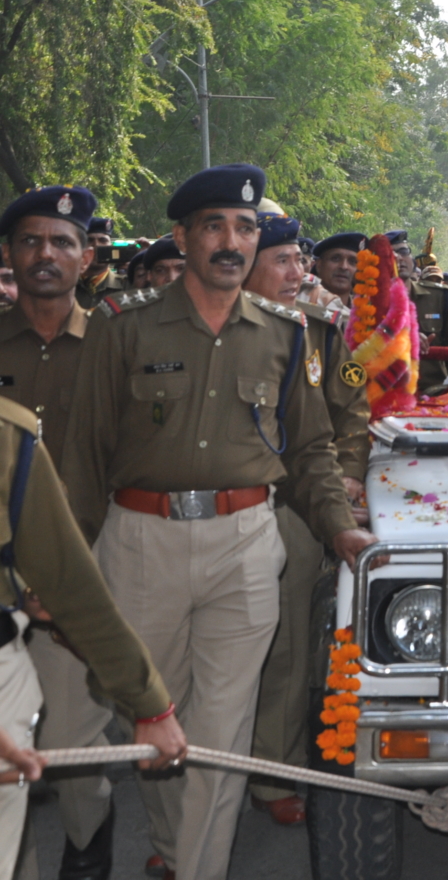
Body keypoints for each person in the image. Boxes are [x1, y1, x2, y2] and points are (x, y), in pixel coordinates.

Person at [60, 164, 378, 880]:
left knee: (223, 728)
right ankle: (176, 849)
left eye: (244, 228)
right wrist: (69, 569)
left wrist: (338, 527)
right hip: (140, 541)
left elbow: (311, 449)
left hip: (245, 544)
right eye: (214, 227)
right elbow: (82, 454)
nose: (232, 242)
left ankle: (197, 868)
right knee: (157, 715)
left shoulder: (287, 332)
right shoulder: (122, 326)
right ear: (184, 236)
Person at [0, 393, 187, 880]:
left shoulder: (7, 437)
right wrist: (151, 704)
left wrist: (147, 700)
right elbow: (72, 586)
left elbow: (69, 584)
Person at [0, 187, 118, 878]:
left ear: (87, 256)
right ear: (10, 253)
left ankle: (89, 847)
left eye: (62, 242)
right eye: (31, 241)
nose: (46, 254)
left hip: (88, 568)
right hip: (4, 581)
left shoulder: (120, 342)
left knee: (74, 743)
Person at [242, 213, 370, 827]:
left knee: (289, 644)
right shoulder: (212, 327)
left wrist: (346, 474)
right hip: (215, 504)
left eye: (301, 259)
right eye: (284, 260)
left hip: (294, 507)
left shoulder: (321, 332)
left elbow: (352, 412)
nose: (301, 273)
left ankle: (273, 769)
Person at [389, 230, 448, 391]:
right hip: (388, 391)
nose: (399, 258)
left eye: (403, 252)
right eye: (391, 254)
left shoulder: (438, 297)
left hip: (434, 390)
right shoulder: (370, 301)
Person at [312, 232, 366, 306]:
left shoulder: (362, 315)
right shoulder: (300, 301)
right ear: (319, 265)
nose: (344, 267)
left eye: (353, 262)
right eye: (336, 259)